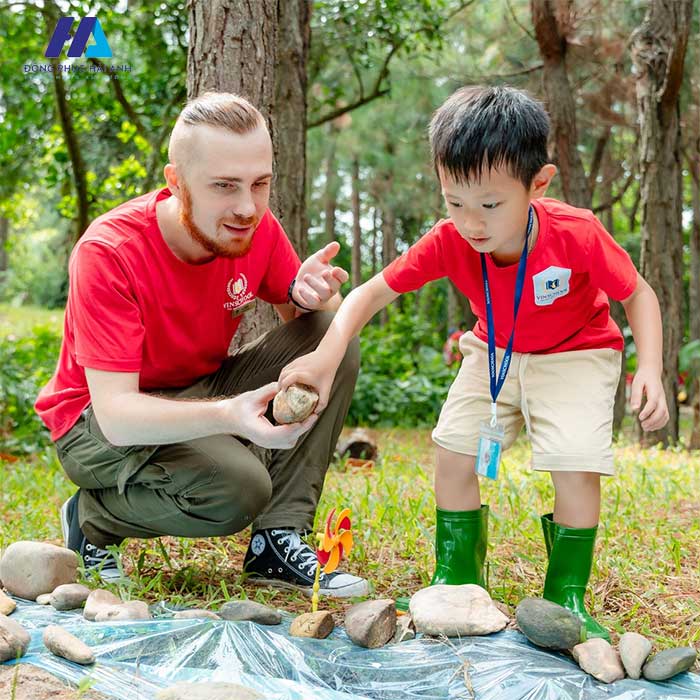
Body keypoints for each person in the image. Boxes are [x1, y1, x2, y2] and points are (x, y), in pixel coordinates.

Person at [278, 86, 669, 637]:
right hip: (493, 353)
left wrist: (648, 366)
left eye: (490, 204)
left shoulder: (575, 233)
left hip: (577, 353)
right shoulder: (450, 240)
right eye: (454, 202)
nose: (471, 222)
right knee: (453, 448)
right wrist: (322, 360)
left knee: (576, 464)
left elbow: (639, 294)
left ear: (538, 184)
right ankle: (458, 575)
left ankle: (565, 596)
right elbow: (368, 295)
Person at [34, 92, 368, 598]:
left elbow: (315, 331)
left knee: (330, 334)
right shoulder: (109, 253)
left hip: (200, 386)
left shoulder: (253, 227)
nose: (247, 207)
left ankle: (277, 540)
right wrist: (232, 415)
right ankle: (92, 518)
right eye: (224, 187)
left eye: (260, 184)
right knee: (240, 487)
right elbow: (119, 415)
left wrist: (311, 295)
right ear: (176, 183)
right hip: (96, 421)